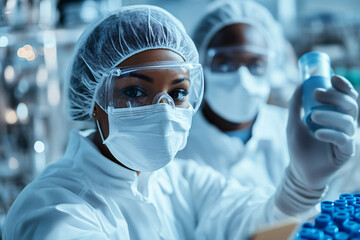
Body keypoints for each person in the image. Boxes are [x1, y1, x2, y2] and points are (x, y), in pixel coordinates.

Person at [3, 5, 358, 240]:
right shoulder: (56, 212)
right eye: (136, 91)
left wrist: (303, 184)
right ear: (93, 101)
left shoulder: (177, 181)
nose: (164, 110)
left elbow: (252, 222)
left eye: (178, 92)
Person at [176, 0, 296, 191]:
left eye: (255, 65)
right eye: (224, 63)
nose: (242, 78)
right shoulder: (176, 141)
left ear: (272, 66)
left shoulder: (293, 130)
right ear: (199, 64)